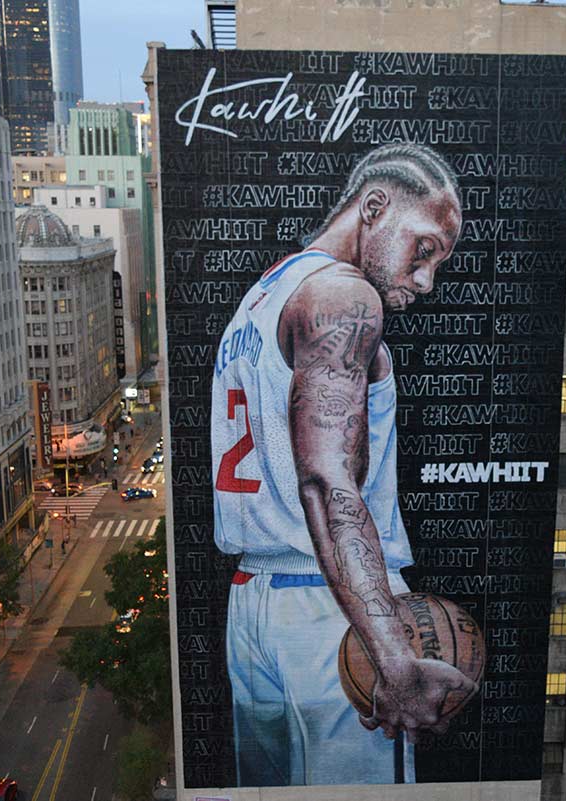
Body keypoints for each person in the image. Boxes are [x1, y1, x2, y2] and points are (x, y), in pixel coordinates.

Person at [211, 144, 476, 787]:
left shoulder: (265, 295)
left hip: (253, 603)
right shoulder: (344, 298)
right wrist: (393, 656)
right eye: (424, 248)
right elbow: (327, 482)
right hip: (332, 612)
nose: (425, 280)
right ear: (376, 207)